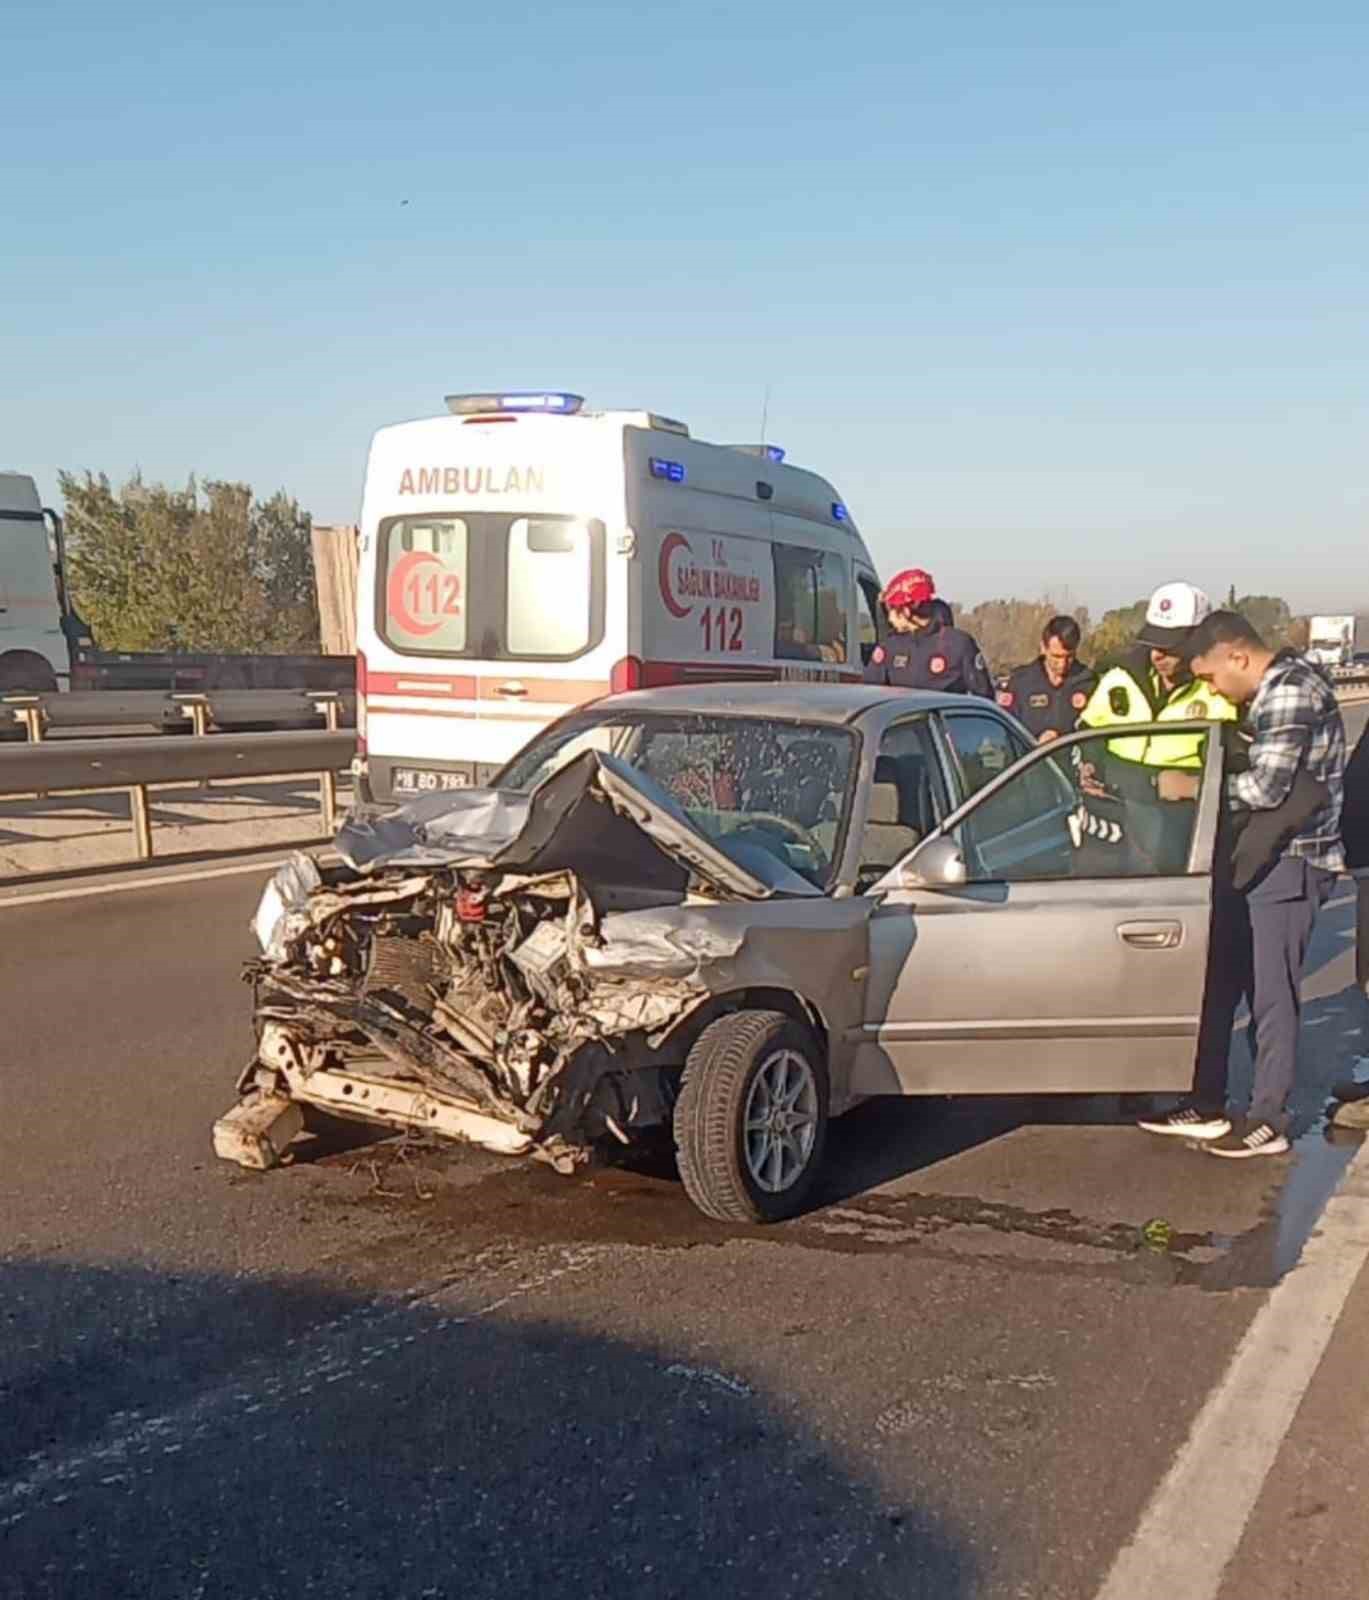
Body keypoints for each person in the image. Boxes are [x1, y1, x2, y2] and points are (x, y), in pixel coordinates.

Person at [1138, 611, 1346, 1158]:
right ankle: (1206, 1101)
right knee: (1224, 977)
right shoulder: (1273, 690)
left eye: (1209, 678)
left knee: (1270, 991)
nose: (1211, 689)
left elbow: (1267, 788)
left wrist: (1192, 788)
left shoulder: (1289, 692)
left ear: (1237, 656)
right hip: (1256, 860)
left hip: (1292, 861)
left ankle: (1267, 1117)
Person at [864, 568, 993, 696]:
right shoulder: (890, 646)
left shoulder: (958, 644)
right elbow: (869, 694)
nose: (890, 619)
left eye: (893, 611)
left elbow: (984, 697)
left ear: (907, 611)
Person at [997, 616, 1097, 744]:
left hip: (1074, 761)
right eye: (1056, 657)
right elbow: (1005, 733)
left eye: (1069, 657)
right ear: (1043, 648)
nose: (1062, 664)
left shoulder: (1087, 681)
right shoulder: (1021, 682)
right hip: (1031, 760)